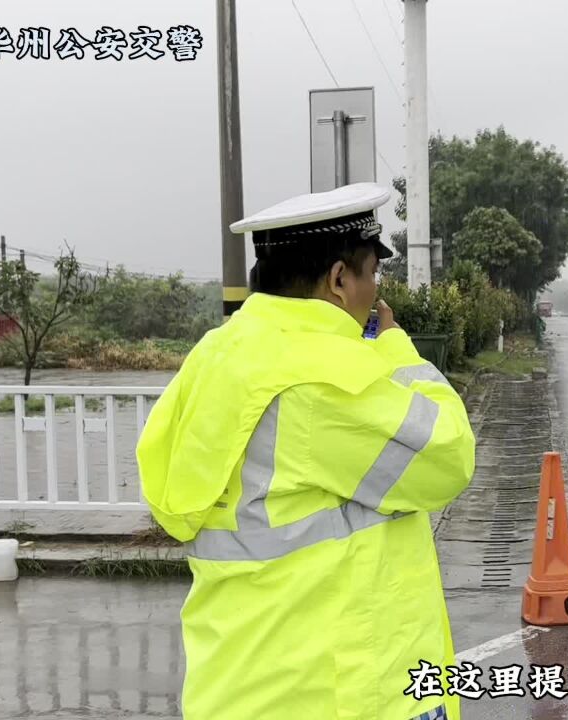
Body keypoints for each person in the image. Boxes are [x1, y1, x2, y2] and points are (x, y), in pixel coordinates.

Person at [136, 182, 475, 720]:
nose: (376, 292)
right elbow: (449, 457)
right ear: (340, 279)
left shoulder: (217, 353)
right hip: (337, 691)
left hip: (237, 685)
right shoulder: (323, 383)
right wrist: (394, 347)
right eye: (373, 274)